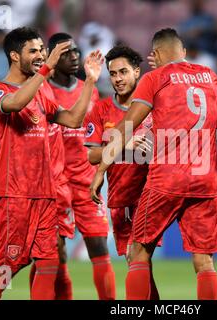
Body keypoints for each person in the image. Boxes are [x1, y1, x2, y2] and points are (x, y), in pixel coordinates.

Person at [90, 28, 217, 300]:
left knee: (137, 252)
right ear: (183, 51)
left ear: (156, 55)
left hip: (168, 178)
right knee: (204, 261)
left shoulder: (155, 77)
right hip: (205, 177)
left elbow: (127, 126)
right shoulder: (210, 76)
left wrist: (101, 170)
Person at [0, 27, 103, 300]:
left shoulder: (42, 93)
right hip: (14, 193)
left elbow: (73, 120)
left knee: (48, 263)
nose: (40, 55)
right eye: (32, 51)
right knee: (8, 266)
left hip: (46, 194)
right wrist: (46, 68)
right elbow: (15, 103)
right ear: (13, 55)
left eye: (41, 51)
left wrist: (90, 82)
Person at [44, 32, 116, 300]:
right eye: (66, 53)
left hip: (86, 182)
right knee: (55, 255)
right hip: (54, 183)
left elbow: (94, 133)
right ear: (53, 57)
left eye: (75, 51)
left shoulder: (92, 90)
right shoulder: (43, 90)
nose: (73, 57)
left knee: (99, 248)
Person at [84, 45, 159, 299]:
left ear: (137, 72)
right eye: (113, 74)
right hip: (120, 198)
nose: (117, 79)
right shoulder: (101, 110)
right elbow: (92, 155)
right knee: (140, 265)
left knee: (135, 257)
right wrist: (124, 147)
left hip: (150, 196)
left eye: (123, 72)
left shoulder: (155, 106)